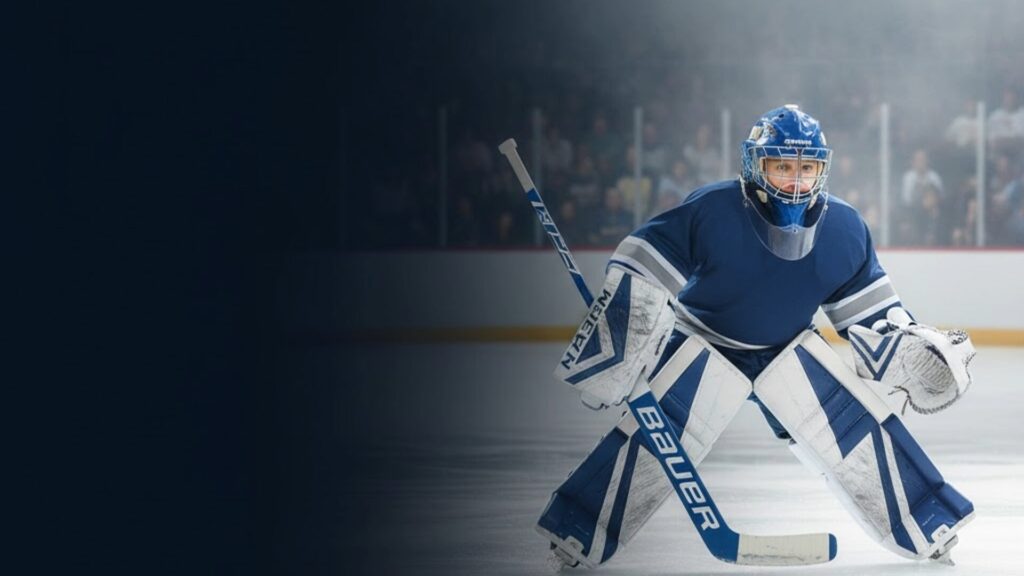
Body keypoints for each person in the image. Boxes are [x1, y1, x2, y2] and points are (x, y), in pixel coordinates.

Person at [538, 106, 977, 569]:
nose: (794, 181)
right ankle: (579, 527)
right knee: (659, 437)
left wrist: (908, 348)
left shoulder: (844, 229)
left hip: (785, 350)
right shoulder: (712, 209)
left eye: (806, 168)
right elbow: (644, 259)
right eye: (782, 166)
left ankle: (927, 520)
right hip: (700, 343)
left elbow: (873, 317)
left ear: (821, 169)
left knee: (854, 426)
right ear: (755, 164)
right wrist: (622, 328)